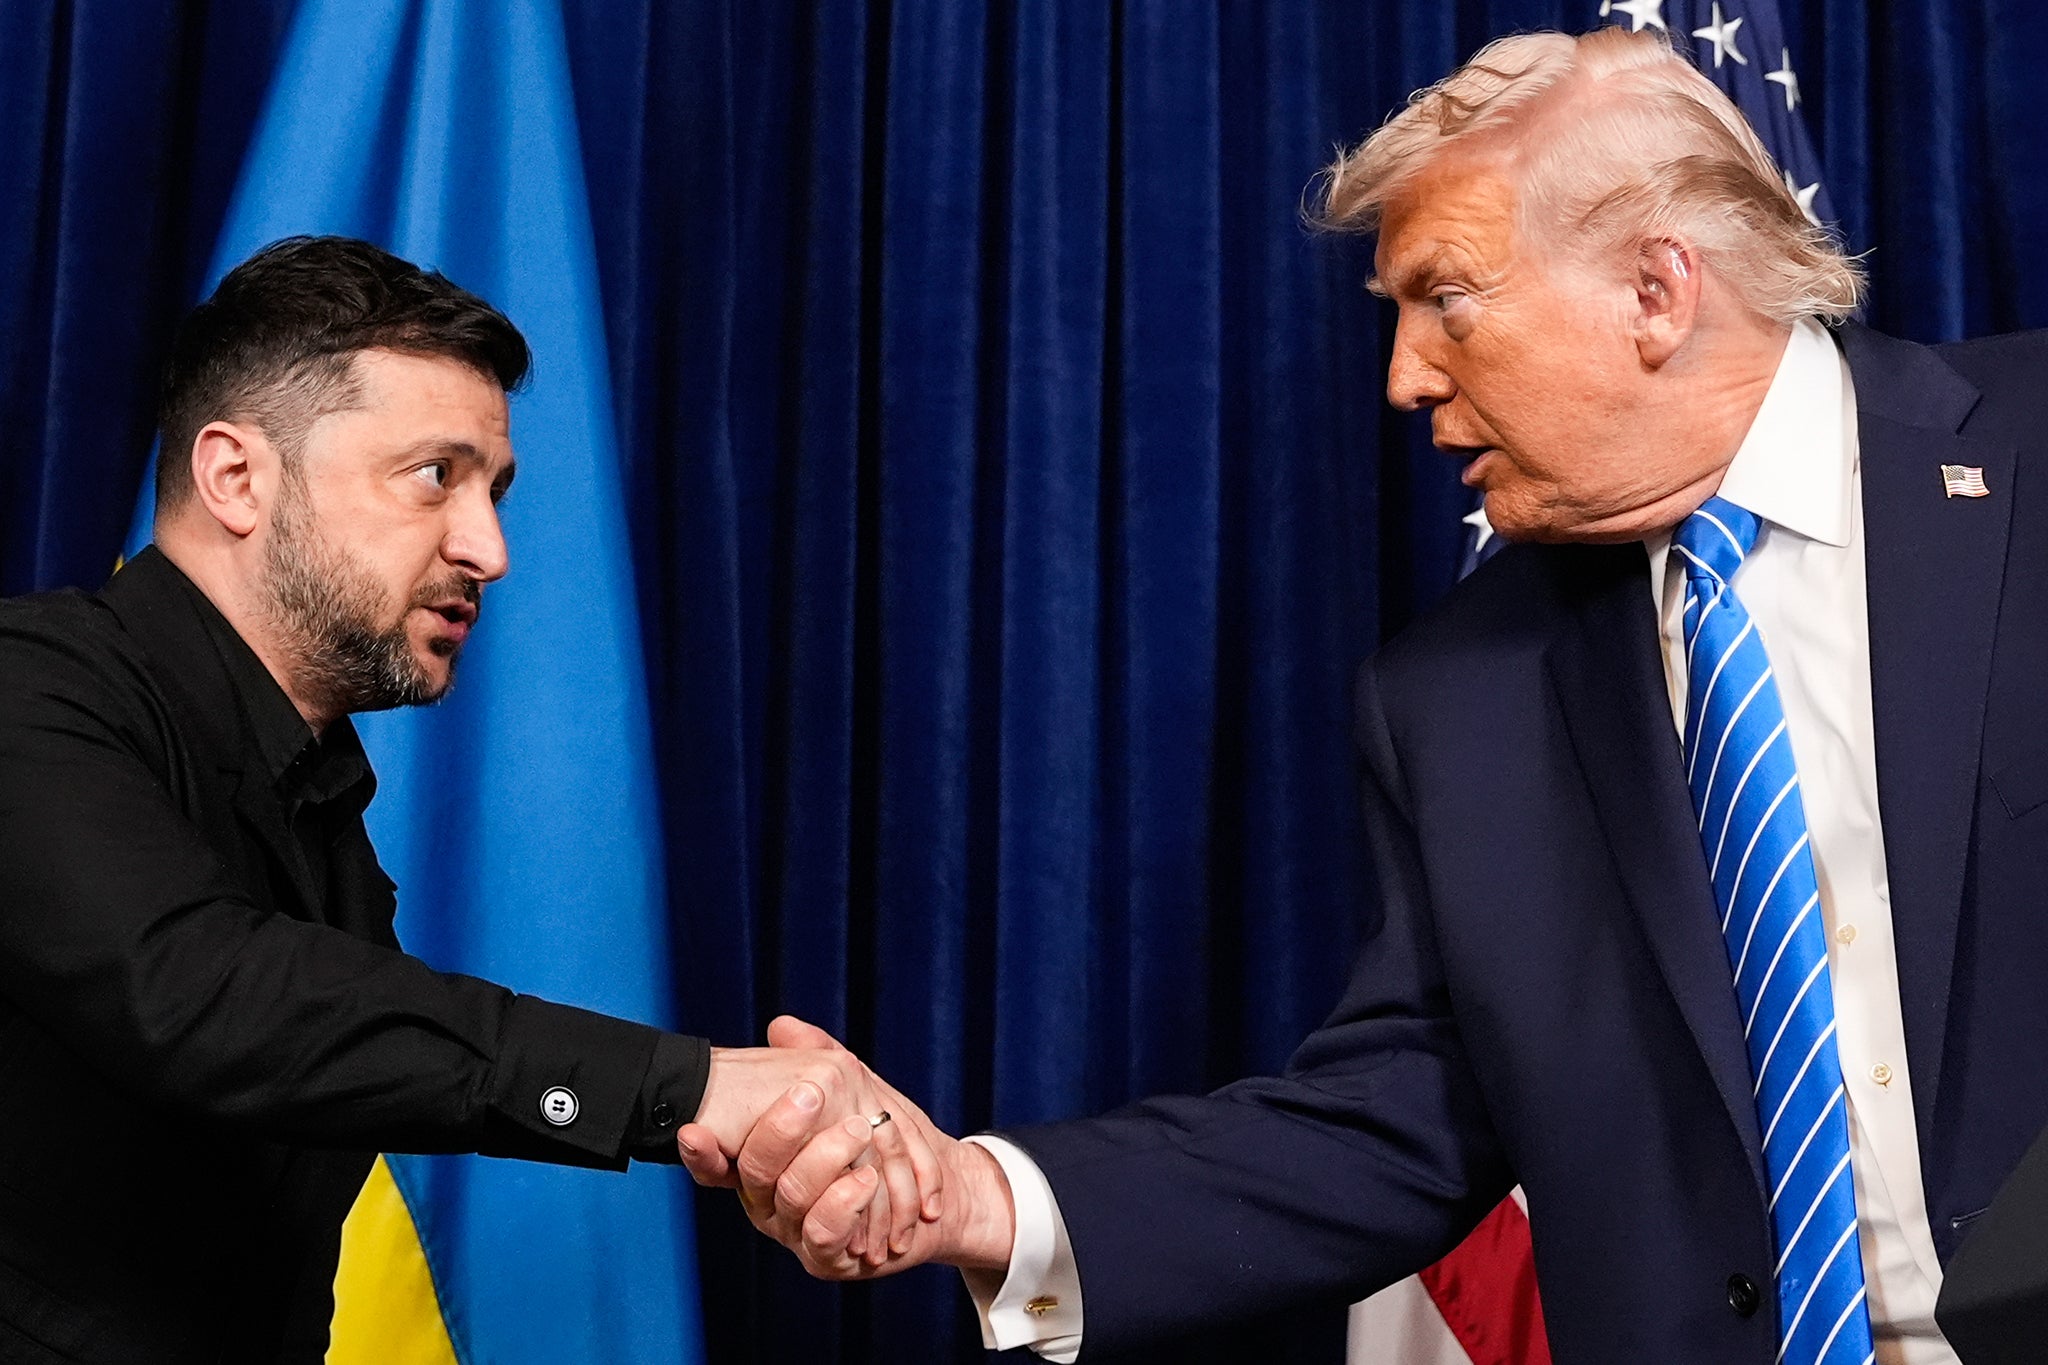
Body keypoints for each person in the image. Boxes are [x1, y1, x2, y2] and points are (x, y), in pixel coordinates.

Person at [683, 26, 2048, 1365]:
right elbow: (1401, 1120)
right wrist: (985, 1198)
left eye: (1444, 298)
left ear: (1656, 288)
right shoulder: (1455, 700)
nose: (1404, 377)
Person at [0, 236, 939, 1364]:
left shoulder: (324, 821)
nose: (488, 549)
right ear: (236, 476)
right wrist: (688, 1087)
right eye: (434, 476)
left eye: (494, 491)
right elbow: (197, 993)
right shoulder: (24, 686)